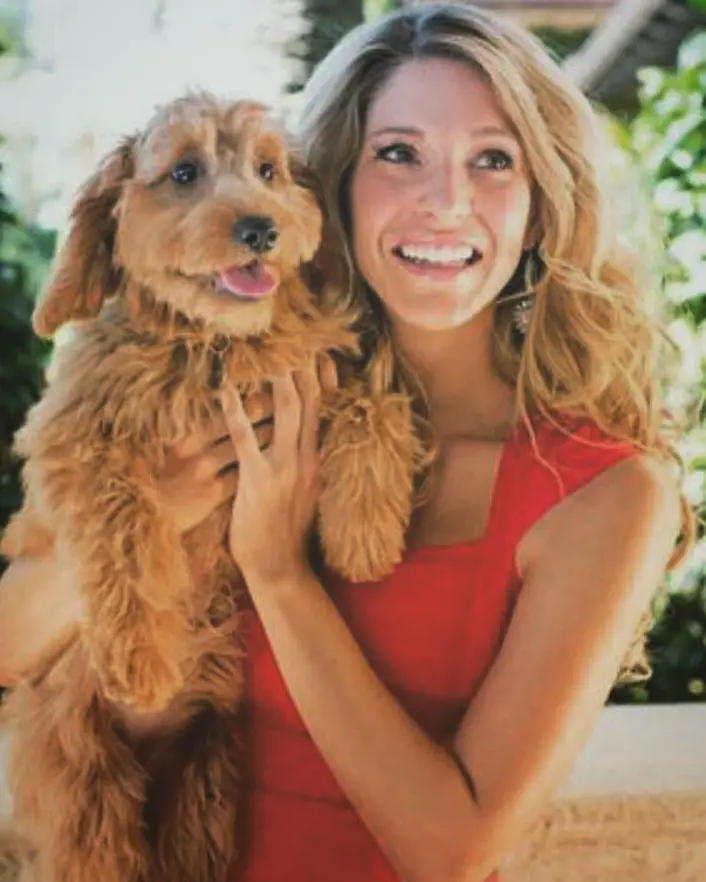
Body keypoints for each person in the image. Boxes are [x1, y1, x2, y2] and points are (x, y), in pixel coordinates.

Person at [0, 4, 691, 881]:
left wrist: (279, 574)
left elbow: (452, 849)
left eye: (493, 160)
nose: (445, 200)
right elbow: (12, 646)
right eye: (398, 154)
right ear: (334, 189)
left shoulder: (602, 491)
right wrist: (164, 512)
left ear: (543, 207)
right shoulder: (245, 399)